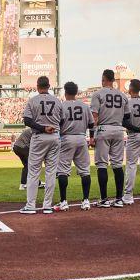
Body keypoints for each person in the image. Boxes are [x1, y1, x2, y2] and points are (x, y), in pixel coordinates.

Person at [21, 76, 61, 213]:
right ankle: (47, 206)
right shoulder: (57, 101)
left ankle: (31, 206)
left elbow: (27, 121)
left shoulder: (33, 100)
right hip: (55, 137)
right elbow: (62, 121)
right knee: (51, 172)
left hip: (39, 137)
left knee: (33, 172)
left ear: (38, 86)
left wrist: (43, 128)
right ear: (49, 86)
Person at [90, 71, 128, 208]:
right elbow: (127, 117)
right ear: (113, 80)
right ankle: (119, 198)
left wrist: (91, 136)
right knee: (117, 164)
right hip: (118, 130)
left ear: (104, 79)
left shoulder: (98, 94)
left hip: (103, 129)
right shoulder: (123, 95)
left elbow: (94, 117)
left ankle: (104, 199)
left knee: (102, 164)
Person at [57, 81, 93, 210]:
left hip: (66, 138)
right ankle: (86, 200)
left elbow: (58, 124)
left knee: (63, 171)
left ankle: (63, 201)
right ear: (76, 92)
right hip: (81, 138)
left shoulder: (61, 105)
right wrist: (92, 137)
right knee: (85, 171)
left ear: (65, 92)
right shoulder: (84, 106)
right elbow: (91, 124)